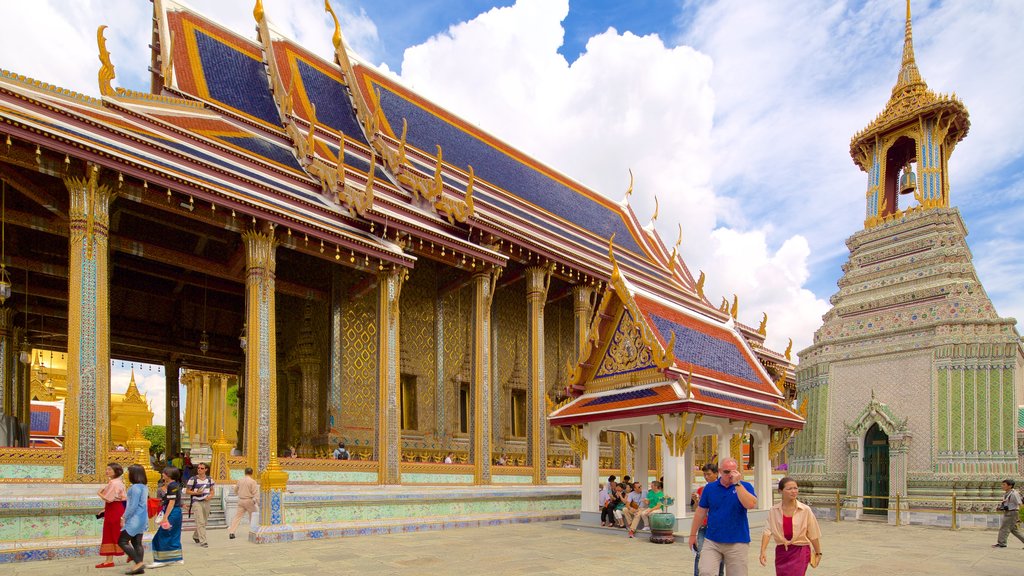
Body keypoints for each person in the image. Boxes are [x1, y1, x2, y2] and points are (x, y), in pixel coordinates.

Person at [688, 457, 757, 576]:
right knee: (706, 571)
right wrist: (692, 534)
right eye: (726, 472)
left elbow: (750, 504)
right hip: (713, 540)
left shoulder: (745, 486)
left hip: (737, 541)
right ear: (720, 471)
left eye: (733, 471)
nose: (730, 475)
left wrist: (738, 484)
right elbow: (701, 512)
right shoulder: (710, 488)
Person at [759, 477, 822, 575]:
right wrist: (763, 551)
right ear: (780, 491)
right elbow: (767, 531)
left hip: (800, 550)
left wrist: (818, 552)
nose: (793, 491)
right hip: (782, 551)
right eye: (789, 489)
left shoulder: (805, 510)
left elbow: (813, 534)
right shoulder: (774, 510)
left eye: (795, 488)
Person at [691, 463, 724, 576]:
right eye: (704, 474)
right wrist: (696, 501)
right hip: (704, 526)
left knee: (720, 555)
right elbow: (698, 510)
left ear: (716, 474)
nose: (706, 477)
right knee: (700, 553)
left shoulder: (723, 489)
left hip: (718, 527)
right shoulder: (702, 490)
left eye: (708, 474)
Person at [149, 467, 184, 567]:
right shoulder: (176, 485)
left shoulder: (171, 486)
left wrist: (165, 517)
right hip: (176, 512)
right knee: (174, 534)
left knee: (161, 535)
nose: (162, 474)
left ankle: (160, 560)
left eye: (164, 473)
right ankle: (177, 558)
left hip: (172, 512)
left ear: (169, 475)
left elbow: (171, 503)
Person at [96, 462, 127, 568]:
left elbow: (109, 498)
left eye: (109, 469)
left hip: (114, 510)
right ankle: (109, 560)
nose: (107, 471)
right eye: (107, 469)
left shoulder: (114, 483)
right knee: (112, 533)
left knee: (113, 533)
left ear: (116, 472)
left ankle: (131, 553)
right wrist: (105, 509)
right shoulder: (117, 482)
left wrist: (99, 493)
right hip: (114, 509)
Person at [119, 465, 148, 575]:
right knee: (137, 542)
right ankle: (139, 568)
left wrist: (124, 517)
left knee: (122, 541)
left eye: (129, 472)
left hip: (135, 518)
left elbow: (132, 506)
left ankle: (138, 563)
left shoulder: (134, 488)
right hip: (142, 517)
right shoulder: (144, 487)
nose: (127, 474)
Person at [185, 462, 214, 548]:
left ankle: (196, 535)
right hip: (196, 501)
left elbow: (212, 490)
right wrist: (196, 493)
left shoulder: (210, 479)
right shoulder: (193, 479)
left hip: (206, 500)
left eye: (201, 468)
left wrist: (210, 496)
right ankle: (203, 541)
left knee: (204, 521)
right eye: (198, 468)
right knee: (200, 521)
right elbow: (187, 491)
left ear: (206, 470)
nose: (199, 470)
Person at [228, 467, 259, 540]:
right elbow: (255, 493)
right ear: (252, 473)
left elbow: (235, 489)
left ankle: (232, 532)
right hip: (249, 500)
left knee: (237, 517)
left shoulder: (240, 481)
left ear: (245, 472)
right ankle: (253, 531)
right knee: (253, 517)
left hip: (241, 500)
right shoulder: (252, 481)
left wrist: (238, 494)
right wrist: (257, 501)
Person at [994, 478, 1024, 548]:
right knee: (1014, 530)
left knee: (1004, 528)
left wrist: (1020, 515)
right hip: (1008, 512)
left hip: (1012, 513)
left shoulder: (1014, 494)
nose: (1002, 486)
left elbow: (1020, 504)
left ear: (1010, 486)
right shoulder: (1007, 493)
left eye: (1004, 485)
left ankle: (1002, 543)